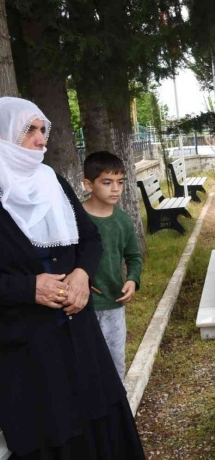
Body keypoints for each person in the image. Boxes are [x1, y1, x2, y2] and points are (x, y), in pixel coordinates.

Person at [0, 97, 146, 459]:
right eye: (29, 130)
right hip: (24, 343)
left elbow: (90, 238)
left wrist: (82, 274)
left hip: (78, 331)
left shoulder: (53, 181)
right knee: (51, 427)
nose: (40, 140)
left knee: (97, 415)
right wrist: (28, 287)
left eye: (43, 130)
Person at [82, 151, 143, 382]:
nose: (115, 189)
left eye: (120, 182)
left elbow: (134, 256)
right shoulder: (74, 217)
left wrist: (132, 280)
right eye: (107, 182)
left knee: (115, 360)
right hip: (80, 306)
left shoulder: (123, 221)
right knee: (85, 362)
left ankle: (118, 409)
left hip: (113, 304)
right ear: (89, 184)